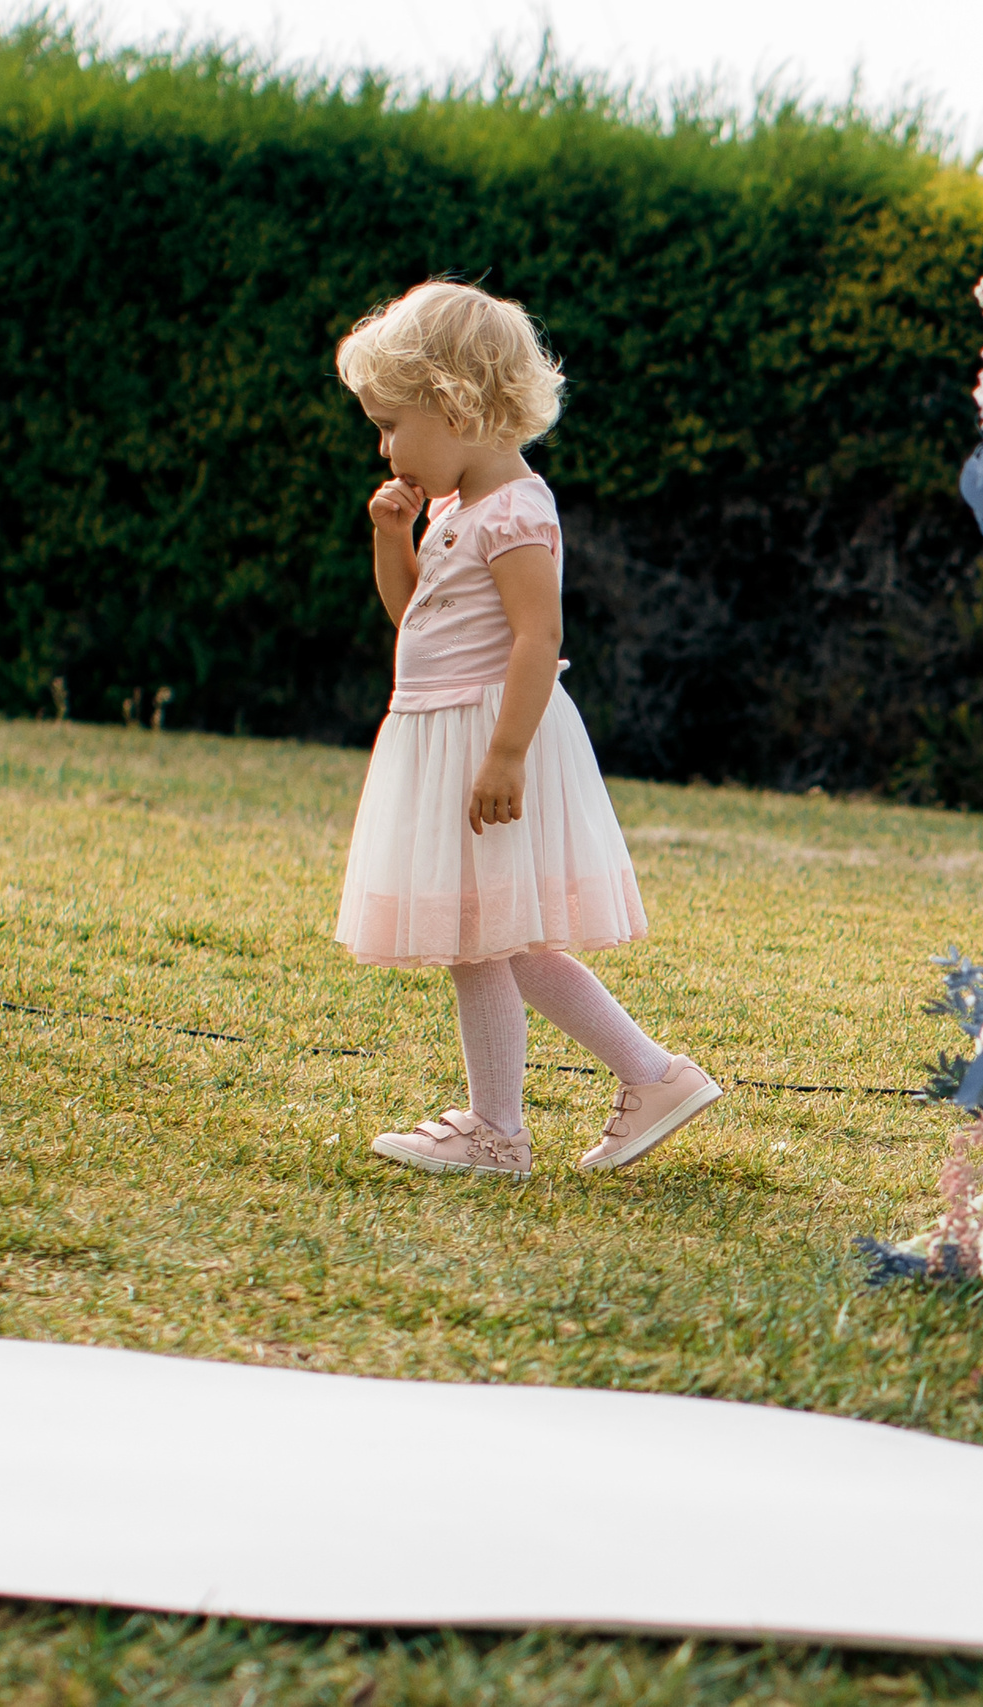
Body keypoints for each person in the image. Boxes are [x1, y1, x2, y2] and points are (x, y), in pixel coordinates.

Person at [331, 280, 720, 1178]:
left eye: (391, 425)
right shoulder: (454, 511)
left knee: (487, 939)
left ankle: (509, 1124)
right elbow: (413, 618)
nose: (385, 447)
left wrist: (505, 754)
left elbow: (539, 638)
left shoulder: (512, 511)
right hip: (448, 736)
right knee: (493, 939)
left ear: (455, 404)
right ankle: (632, 1082)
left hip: (486, 739)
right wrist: (392, 540)